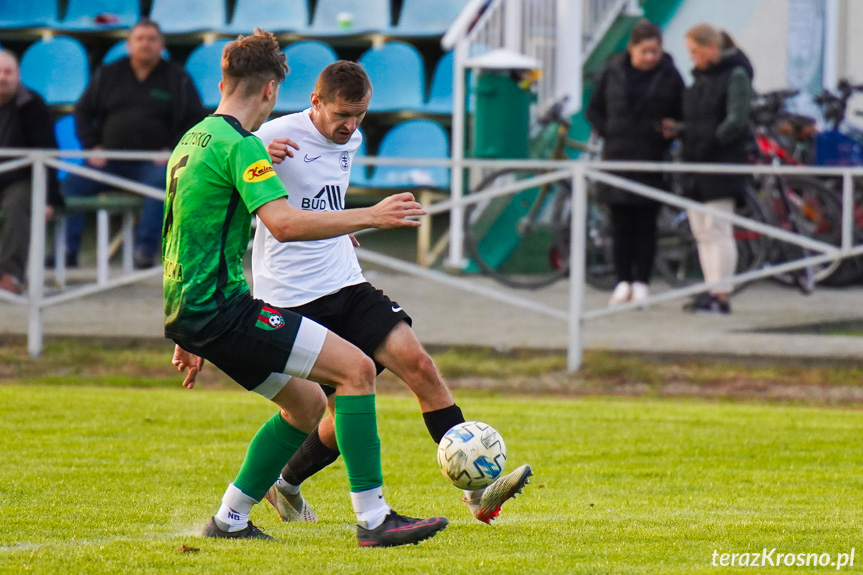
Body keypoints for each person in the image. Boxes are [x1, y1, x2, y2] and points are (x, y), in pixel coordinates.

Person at [165, 29, 448, 547]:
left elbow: (183, 234)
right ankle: (374, 519)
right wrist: (371, 216)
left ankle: (230, 518)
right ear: (274, 92)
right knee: (358, 370)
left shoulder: (193, 138)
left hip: (195, 308)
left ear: (223, 79)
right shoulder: (243, 146)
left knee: (306, 406)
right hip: (228, 309)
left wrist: (186, 326)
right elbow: (286, 225)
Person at [250, 61, 532, 525]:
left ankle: (479, 492)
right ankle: (284, 486)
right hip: (292, 296)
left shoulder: (352, 138)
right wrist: (256, 152)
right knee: (344, 413)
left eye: (360, 114)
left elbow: (320, 197)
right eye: (342, 114)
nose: (351, 126)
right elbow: (268, 218)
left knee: (419, 364)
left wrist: (339, 228)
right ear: (315, 101)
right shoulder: (269, 139)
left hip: (344, 280)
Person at [59, 18, 204, 269]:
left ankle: (144, 251)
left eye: (151, 39)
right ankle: (67, 252)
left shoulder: (177, 78)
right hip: (109, 163)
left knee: (166, 180)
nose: (145, 44)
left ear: (162, 45)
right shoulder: (107, 75)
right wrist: (92, 146)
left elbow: (196, 120)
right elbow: (82, 112)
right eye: (139, 39)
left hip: (154, 164)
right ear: (129, 45)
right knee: (70, 187)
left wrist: (172, 150)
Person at [585, 19, 684, 306]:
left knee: (646, 223)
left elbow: (681, 112)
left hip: (651, 155)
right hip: (617, 155)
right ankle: (621, 281)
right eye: (645, 52)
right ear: (632, 48)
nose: (650, 57)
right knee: (619, 222)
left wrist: (670, 131)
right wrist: (610, 130)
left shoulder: (670, 75)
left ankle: (642, 282)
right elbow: (593, 108)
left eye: (655, 51)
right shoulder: (612, 70)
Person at [662, 23, 753, 314]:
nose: (692, 58)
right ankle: (710, 290)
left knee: (717, 228)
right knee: (701, 231)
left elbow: (736, 121)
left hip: (720, 161)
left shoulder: (736, 76)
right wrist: (681, 130)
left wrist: (710, 140)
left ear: (711, 48)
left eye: (695, 51)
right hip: (696, 160)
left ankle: (722, 294)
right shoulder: (699, 80)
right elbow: (700, 119)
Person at [0, 49, 63, 295]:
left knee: (17, 204)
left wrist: (48, 198)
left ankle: (10, 275)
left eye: (8, 72)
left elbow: (48, 154)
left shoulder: (32, 105)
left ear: (18, 75)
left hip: (23, 179)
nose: (3, 77)